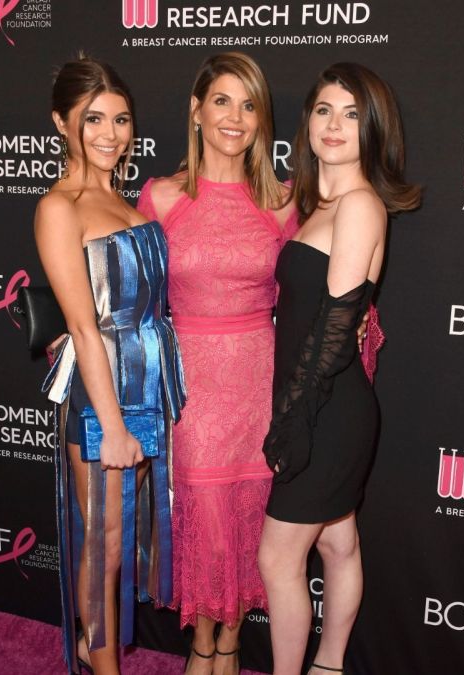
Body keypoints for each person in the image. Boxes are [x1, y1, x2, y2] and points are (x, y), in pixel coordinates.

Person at [257, 63, 421, 675]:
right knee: (337, 541)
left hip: (329, 409)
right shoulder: (318, 205)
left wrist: (294, 422)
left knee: (277, 559)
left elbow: (334, 331)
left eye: (353, 114)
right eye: (325, 109)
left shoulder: (358, 205)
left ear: (373, 129)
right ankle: (329, 667)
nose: (335, 125)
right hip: (321, 403)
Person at [136, 52, 294, 675]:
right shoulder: (160, 197)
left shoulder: (283, 202)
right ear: (196, 112)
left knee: (248, 522)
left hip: (260, 382)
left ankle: (226, 647)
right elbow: (131, 296)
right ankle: (204, 647)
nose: (234, 116)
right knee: (209, 524)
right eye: (222, 101)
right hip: (193, 385)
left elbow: (309, 295)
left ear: (261, 120)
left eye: (248, 104)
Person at [35, 55, 186, 675]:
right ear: (61, 123)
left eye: (121, 120)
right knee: (105, 544)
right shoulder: (60, 208)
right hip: (104, 402)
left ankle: (90, 647)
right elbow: (81, 325)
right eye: (92, 119)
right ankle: (103, 666)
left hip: (149, 391)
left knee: (120, 545)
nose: (109, 133)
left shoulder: (128, 202)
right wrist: (114, 426)